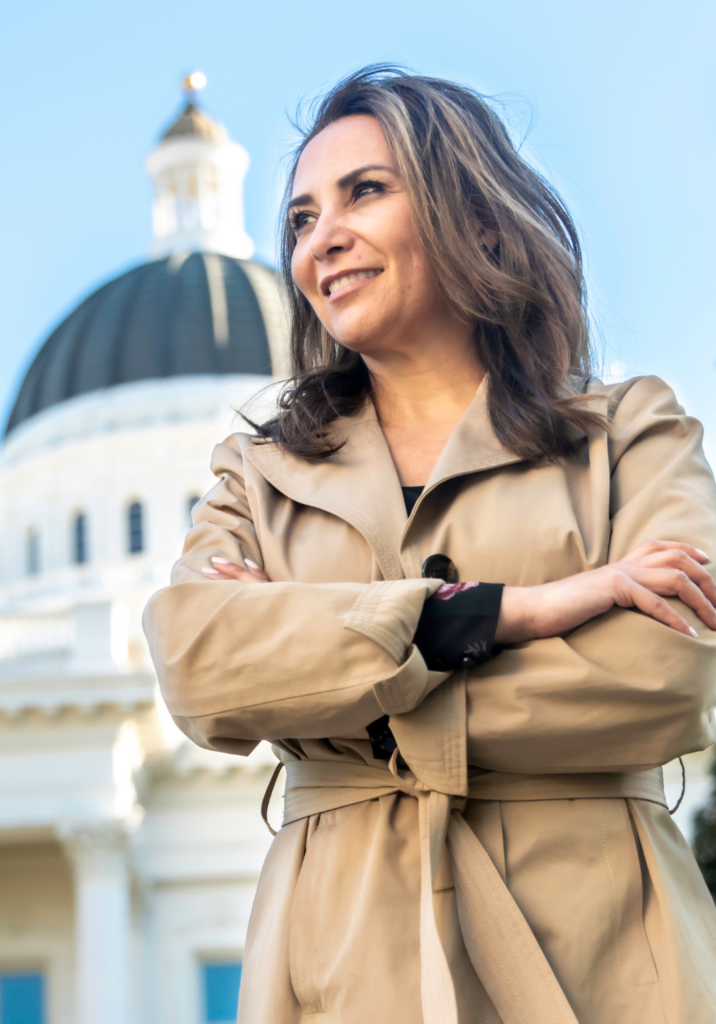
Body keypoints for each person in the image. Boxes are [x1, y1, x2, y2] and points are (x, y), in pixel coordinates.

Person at [143, 66, 716, 1024]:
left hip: (601, 960)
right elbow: (199, 667)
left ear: (478, 218)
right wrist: (504, 616)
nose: (321, 236)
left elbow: (666, 672)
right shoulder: (255, 474)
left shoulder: (631, 433)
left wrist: (318, 685)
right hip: (339, 967)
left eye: (364, 191)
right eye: (298, 218)